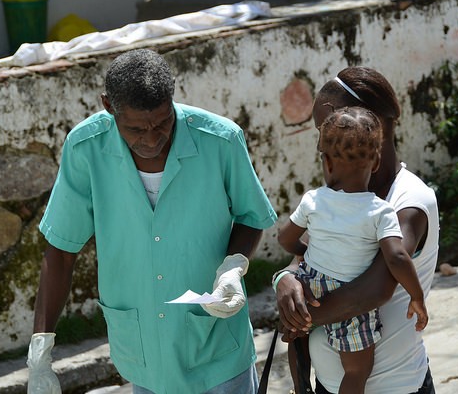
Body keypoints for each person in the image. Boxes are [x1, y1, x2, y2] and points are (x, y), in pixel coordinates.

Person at [26, 48, 277, 394]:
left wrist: (232, 267)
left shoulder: (220, 140)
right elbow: (61, 250)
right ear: (108, 106)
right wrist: (40, 351)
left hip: (217, 347)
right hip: (142, 355)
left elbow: (251, 216)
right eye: (135, 129)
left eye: (162, 123)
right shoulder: (85, 149)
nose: (152, 139)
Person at [273, 67, 439, 394]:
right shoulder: (340, 196)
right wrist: (285, 279)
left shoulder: (409, 201)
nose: (325, 146)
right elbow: (305, 253)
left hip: (395, 387)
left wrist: (298, 319)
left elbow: (375, 289)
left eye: (327, 129)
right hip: (327, 385)